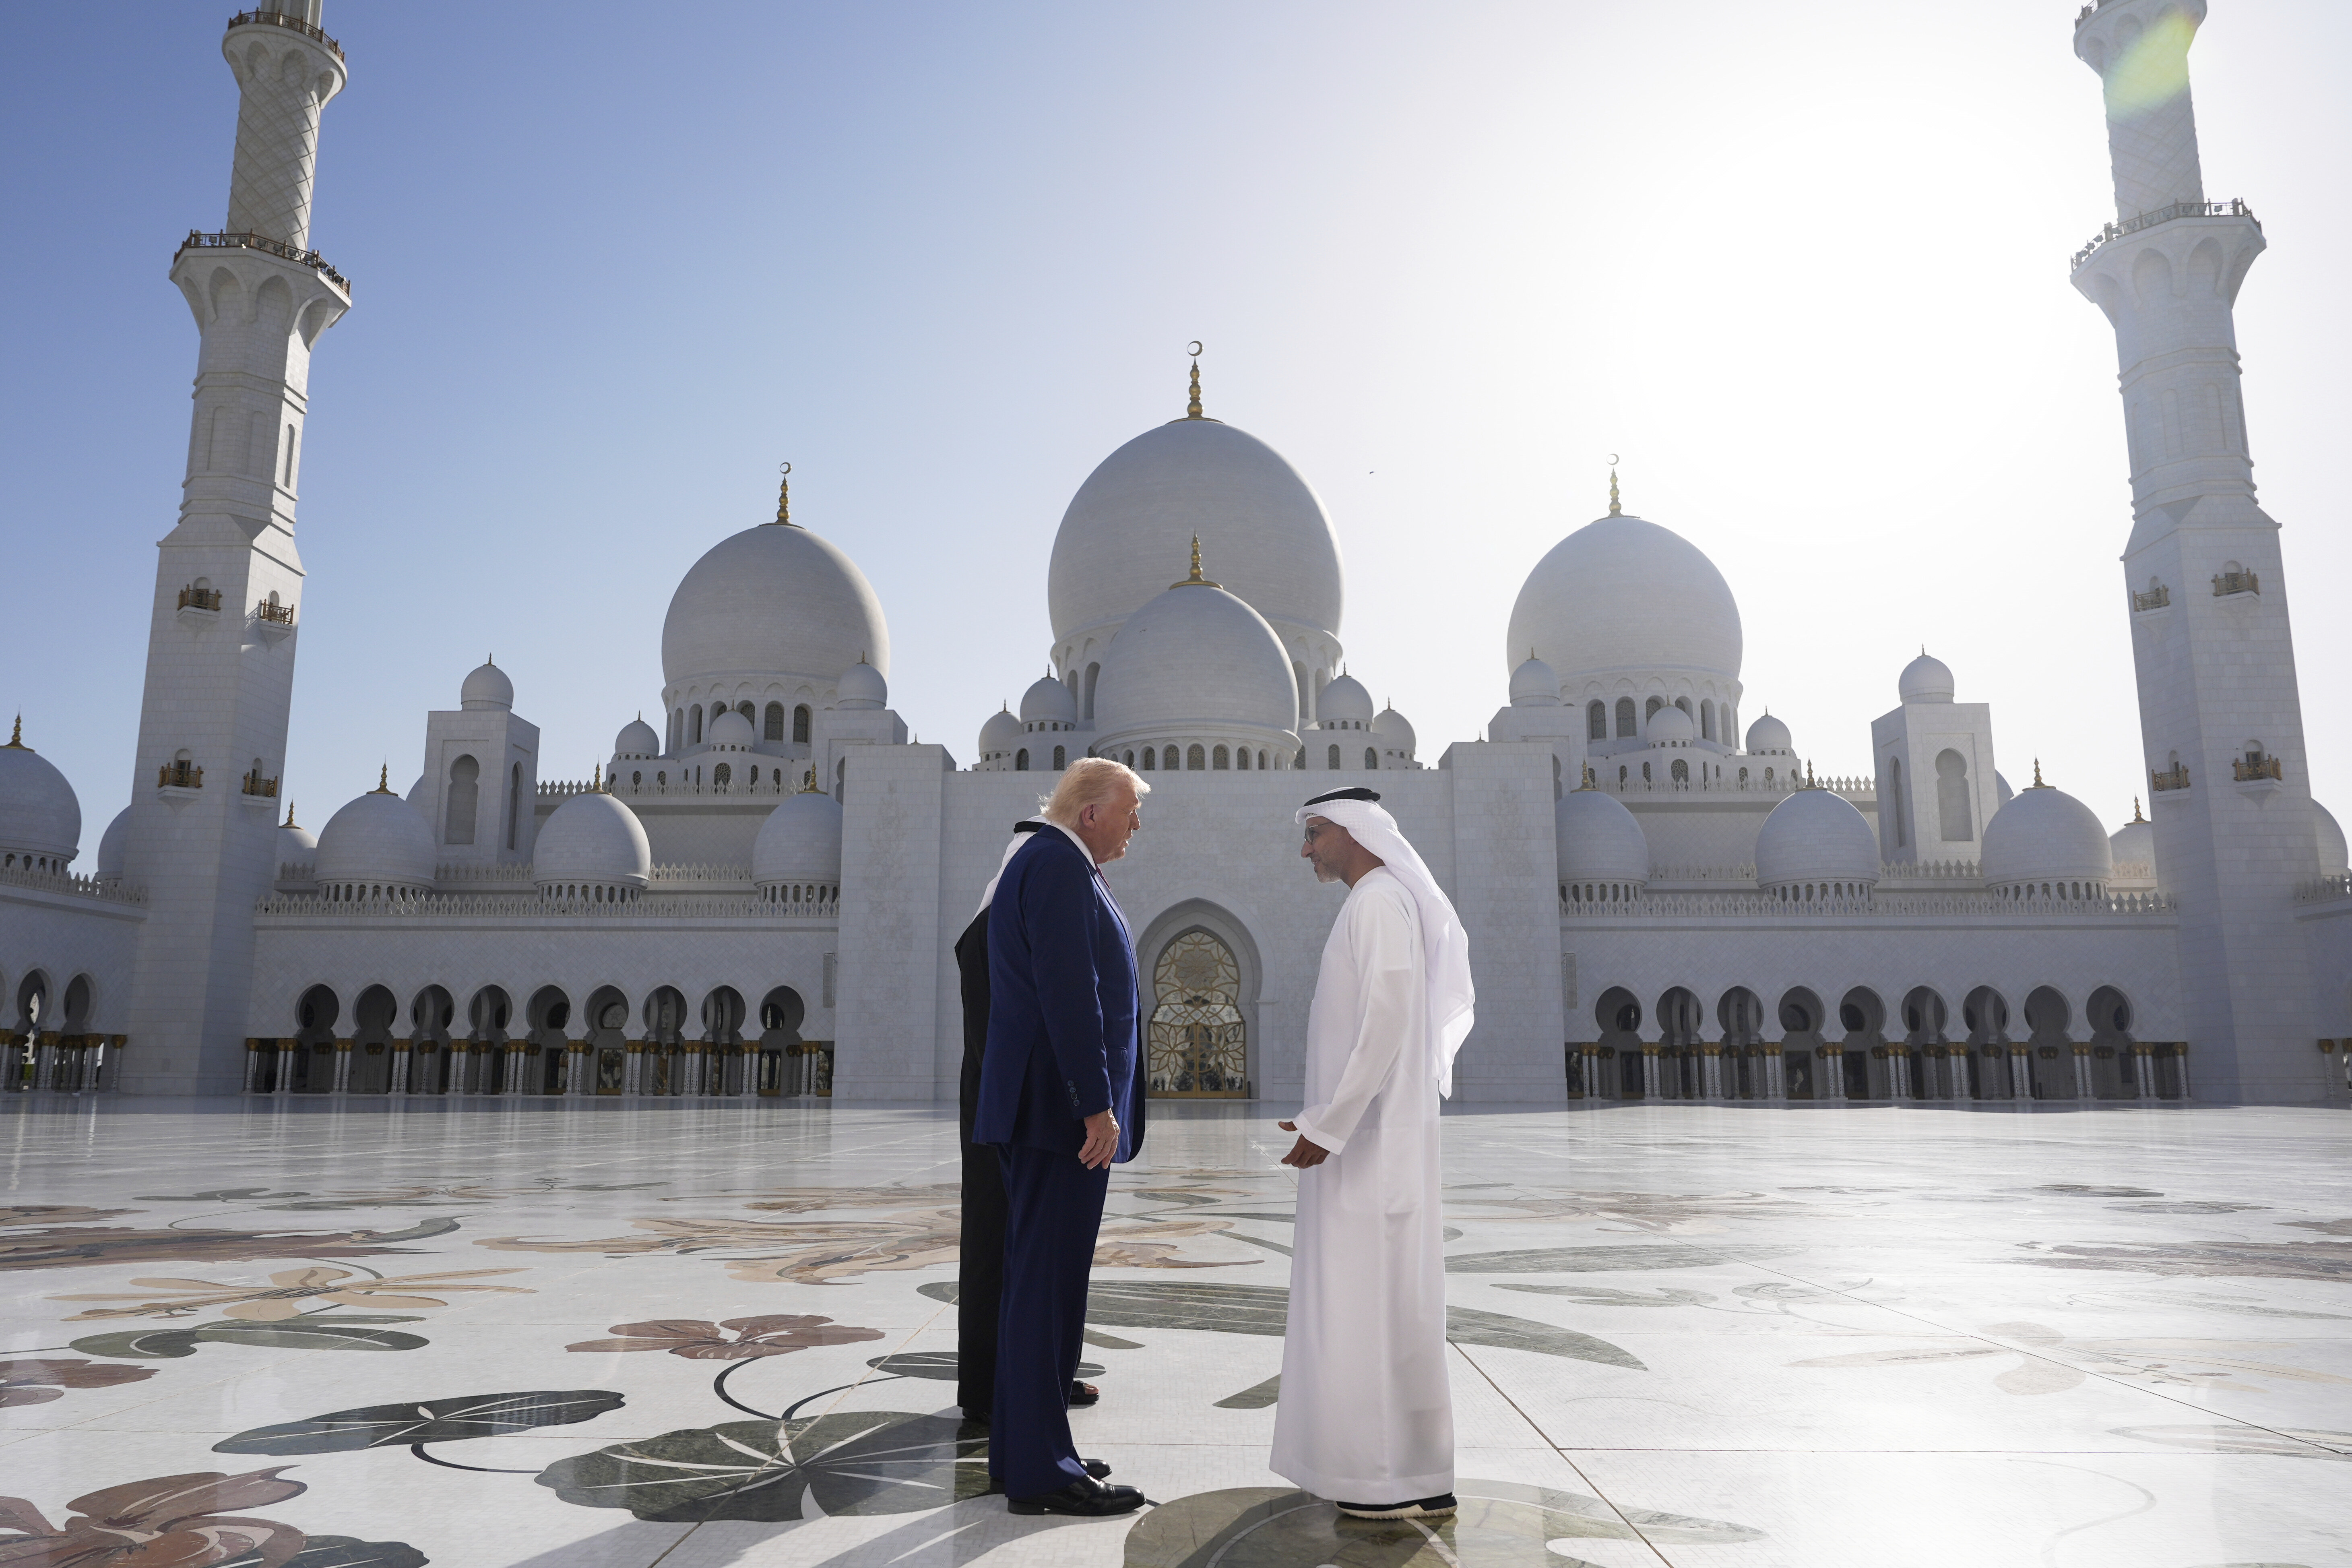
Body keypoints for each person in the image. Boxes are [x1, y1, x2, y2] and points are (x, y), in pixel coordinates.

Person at [1271, 785, 1476, 1521]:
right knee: (1385, 1308)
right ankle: (1407, 1472)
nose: (1307, 851)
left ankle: (1381, 1478)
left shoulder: (1378, 901)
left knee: (1372, 1309)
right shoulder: (1379, 901)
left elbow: (1385, 1020)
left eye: (1315, 835)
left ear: (1354, 833)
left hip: (1370, 1148)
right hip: (1368, 1141)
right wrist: (1326, 1121)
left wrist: (1332, 1126)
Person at [972, 757, 1152, 1517]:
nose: (1135, 825)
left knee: (1039, 1289)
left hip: (1046, 1111)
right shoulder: (1055, 867)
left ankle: (1028, 1451)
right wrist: (1095, 1107)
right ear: (1088, 811)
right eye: (1129, 810)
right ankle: (1043, 1470)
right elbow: (1069, 994)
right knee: (1045, 1290)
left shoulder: (1055, 865)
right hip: (1058, 1117)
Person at [952, 819, 1102, 1422]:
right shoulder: (998, 927)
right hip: (1012, 1118)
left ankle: (1039, 1373)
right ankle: (993, 1390)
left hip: (1015, 1108)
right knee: (1004, 1248)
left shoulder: (997, 921)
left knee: (1033, 1251)